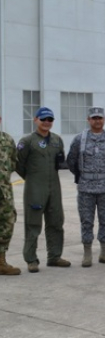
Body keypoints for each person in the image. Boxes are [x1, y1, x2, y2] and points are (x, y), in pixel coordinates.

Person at [16, 107, 69, 273]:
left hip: (54, 186)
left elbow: (60, 161)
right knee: (33, 224)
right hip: (35, 187)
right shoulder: (27, 141)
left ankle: (54, 256)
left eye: (50, 120)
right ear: (35, 120)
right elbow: (19, 164)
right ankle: (31, 259)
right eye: (43, 119)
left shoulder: (57, 140)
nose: (46, 122)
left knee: (56, 221)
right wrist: (32, 179)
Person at [66, 107, 105, 267]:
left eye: (100, 118)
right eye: (94, 118)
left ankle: (104, 251)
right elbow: (71, 161)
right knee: (86, 221)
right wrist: (82, 176)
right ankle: (87, 252)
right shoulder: (79, 139)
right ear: (88, 120)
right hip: (86, 188)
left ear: (104, 119)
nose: (97, 121)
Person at [0, 113, 21, 275]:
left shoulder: (7, 140)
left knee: (8, 222)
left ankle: (1, 261)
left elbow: (13, 162)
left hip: (4, 190)